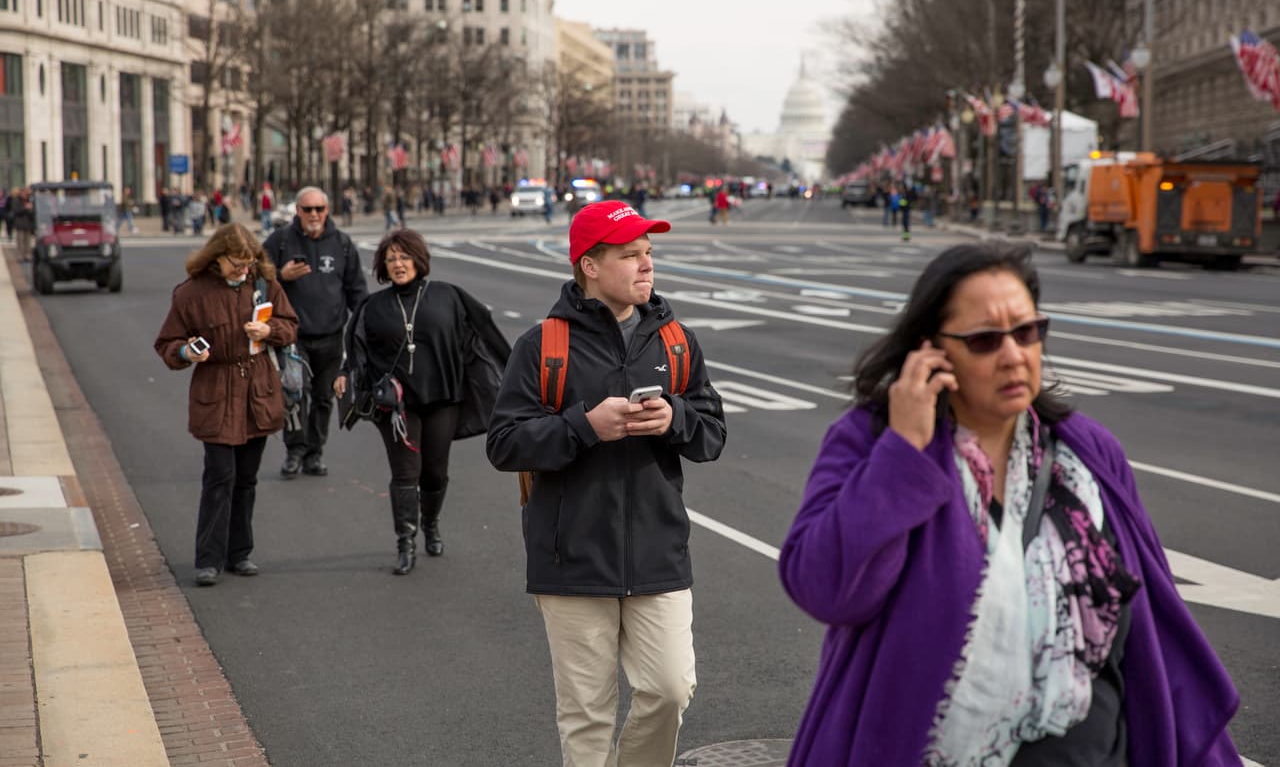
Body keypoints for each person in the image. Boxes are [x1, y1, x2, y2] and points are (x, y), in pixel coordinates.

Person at [779, 241, 1240, 766]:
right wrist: (902, 453)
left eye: (1026, 332)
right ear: (933, 349)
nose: (1013, 354)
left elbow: (1154, 626)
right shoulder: (873, 441)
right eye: (984, 340)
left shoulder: (1088, 452)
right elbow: (824, 588)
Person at [486, 200, 727, 766]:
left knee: (670, 690)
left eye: (649, 254)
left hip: (658, 551)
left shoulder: (676, 340)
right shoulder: (542, 345)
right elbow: (504, 444)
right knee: (587, 717)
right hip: (571, 555)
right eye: (631, 255)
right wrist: (584, 426)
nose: (646, 266)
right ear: (589, 266)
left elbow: (712, 435)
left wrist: (677, 419)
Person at [335, 229, 510, 574]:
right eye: (391, 259)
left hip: (443, 397)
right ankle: (406, 544)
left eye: (404, 257)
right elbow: (355, 347)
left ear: (418, 259)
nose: (398, 264)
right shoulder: (373, 306)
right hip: (396, 406)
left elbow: (487, 333)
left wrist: (517, 370)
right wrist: (344, 372)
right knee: (405, 473)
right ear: (383, 266)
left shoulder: (449, 296)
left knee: (434, 473)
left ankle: (430, 523)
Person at [153, 224, 299, 586]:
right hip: (216, 391)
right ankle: (208, 559)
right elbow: (167, 343)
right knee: (220, 476)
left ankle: (240, 553)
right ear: (217, 257)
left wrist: (270, 332)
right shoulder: (191, 293)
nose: (244, 270)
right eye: (237, 263)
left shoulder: (264, 284)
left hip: (258, 393)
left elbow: (290, 324)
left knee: (246, 479)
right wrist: (186, 352)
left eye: (249, 263)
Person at [263, 186, 368, 478]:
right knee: (295, 395)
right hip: (293, 338)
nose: (313, 215)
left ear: (327, 210)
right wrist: (280, 276)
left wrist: (363, 326)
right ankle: (294, 451)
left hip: (331, 336)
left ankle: (315, 453)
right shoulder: (281, 241)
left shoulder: (342, 244)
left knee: (324, 398)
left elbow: (357, 289)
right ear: (297, 211)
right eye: (307, 209)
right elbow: (255, 280)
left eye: (319, 209)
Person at [11, 188, 34, 261]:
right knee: (20, 241)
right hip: (20, 223)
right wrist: (25, 207)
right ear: (21, 193)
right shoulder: (16, 200)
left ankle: (27, 255)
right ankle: (20, 255)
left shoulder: (29, 200)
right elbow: (16, 210)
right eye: (24, 193)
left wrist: (30, 209)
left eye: (26, 194)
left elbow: (32, 212)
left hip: (27, 223)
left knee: (28, 241)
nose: (25, 195)